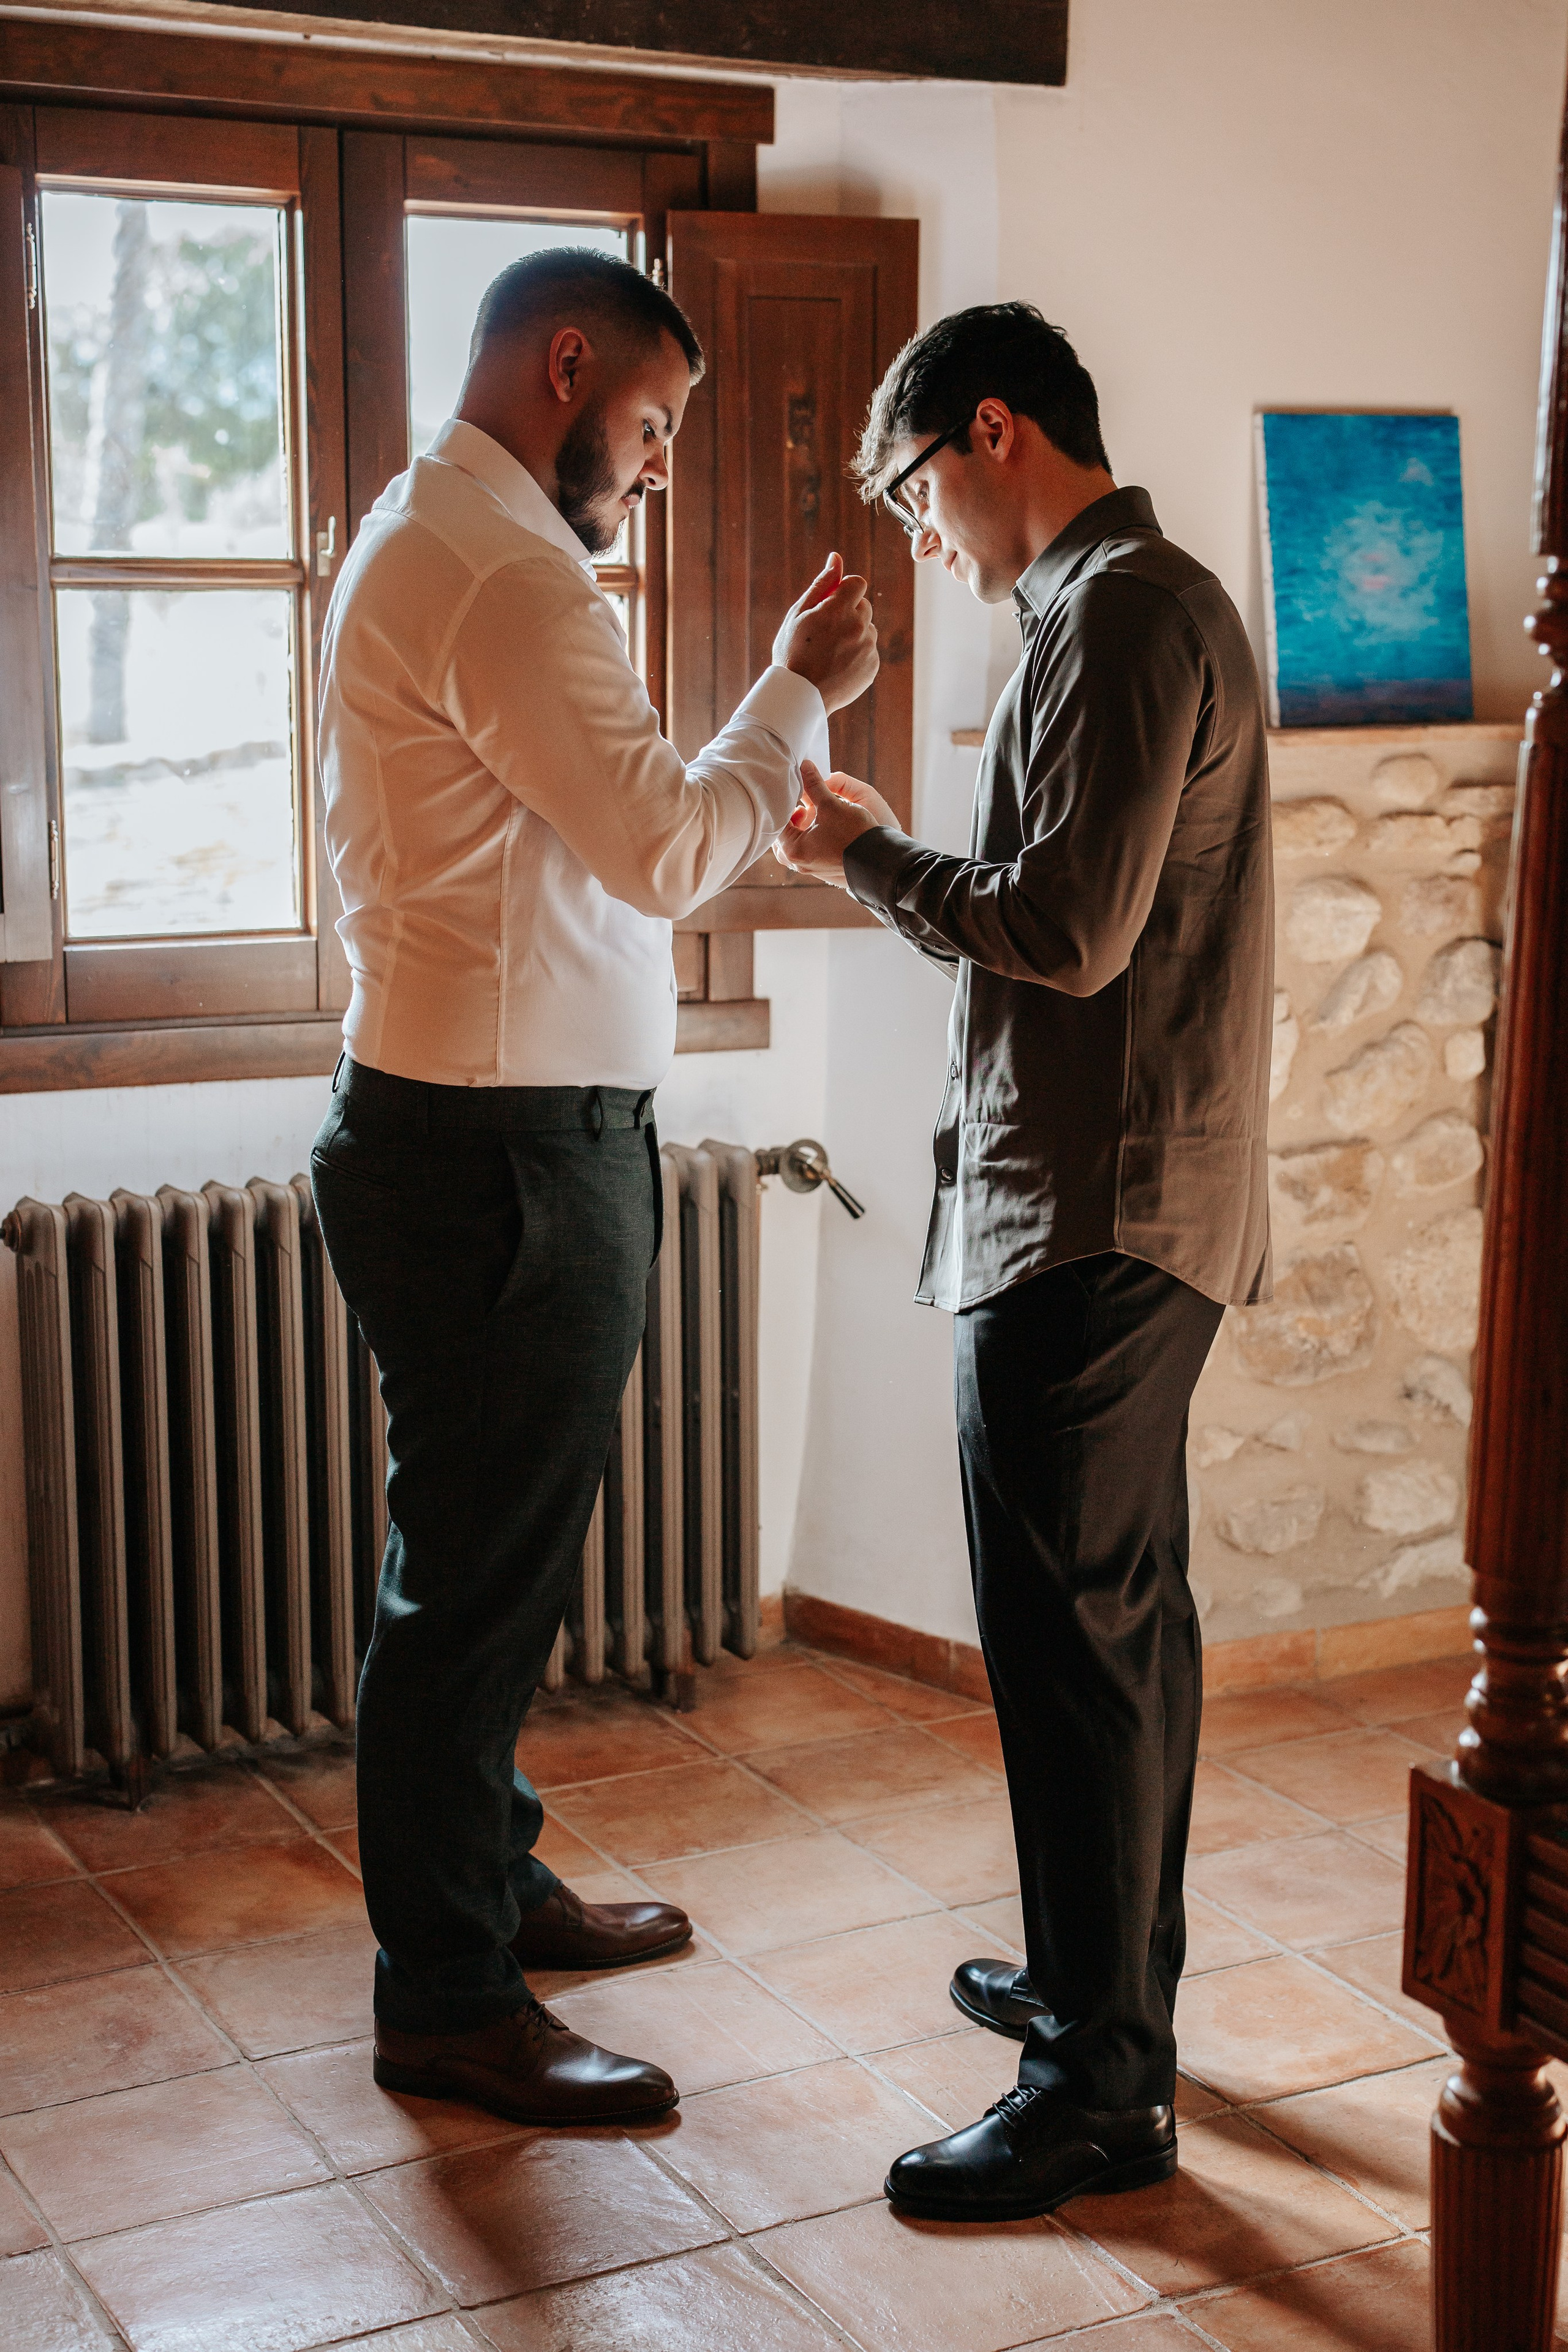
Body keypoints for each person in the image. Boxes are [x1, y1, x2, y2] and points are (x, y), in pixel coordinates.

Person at [311, 249, 877, 2128]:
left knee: (484, 1559)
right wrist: (794, 694)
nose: (648, 471)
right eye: (647, 430)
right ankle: (448, 1996)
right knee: (471, 1588)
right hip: (499, 1155)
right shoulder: (498, 572)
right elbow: (662, 850)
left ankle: (491, 1888)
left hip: (485, 1131)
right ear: (566, 367)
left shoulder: (436, 534)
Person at [777, 301, 1273, 2220]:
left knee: (1074, 1653)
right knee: (1120, 1631)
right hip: (1119, 1203)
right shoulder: (1112, 611)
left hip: (1094, 1218)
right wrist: (903, 857)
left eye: (915, 490)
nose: (921, 534)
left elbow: (1064, 936)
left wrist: (870, 863)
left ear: (993, 432)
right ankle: (1104, 1995)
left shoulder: (1127, 612)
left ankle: (1095, 2091)